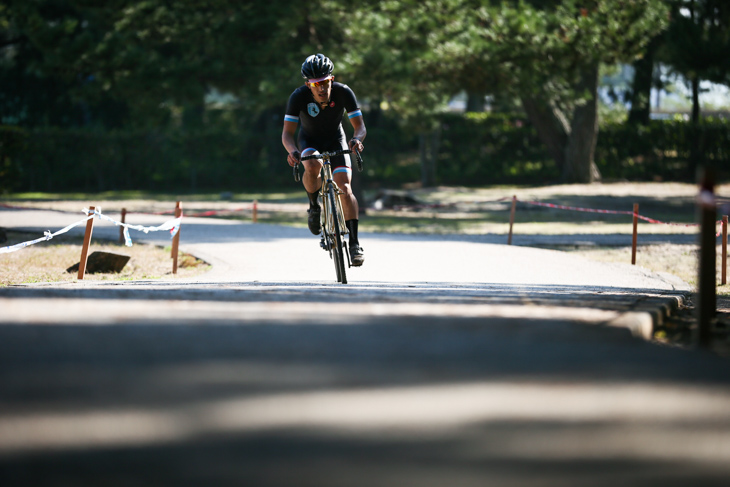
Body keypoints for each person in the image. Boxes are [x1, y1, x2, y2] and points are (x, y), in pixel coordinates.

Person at [282, 53, 367, 266]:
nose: (321, 88)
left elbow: (360, 126)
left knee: (345, 187)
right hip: (309, 140)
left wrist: (356, 139)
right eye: (315, 84)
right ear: (308, 85)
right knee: (311, 163)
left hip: (336, 140)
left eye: (325, 82)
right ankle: (314, 206)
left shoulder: (343, 92)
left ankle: (355, 243)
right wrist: (292, 151)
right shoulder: (298, 97)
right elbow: (287, 134)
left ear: (332, 79)